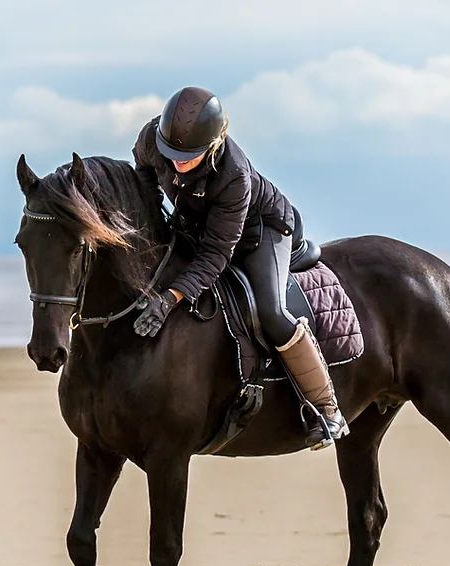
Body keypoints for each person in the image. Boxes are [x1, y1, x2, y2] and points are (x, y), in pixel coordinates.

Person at [131, 86, 349, 449]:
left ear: (214, 144)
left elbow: (216, 254)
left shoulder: (233, 174)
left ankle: (326, 410)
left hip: (260, 231)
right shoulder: (153, 140)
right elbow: (143, 175)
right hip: (199, 224)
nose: (178, 164)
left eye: (189, 157)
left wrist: (170, 299)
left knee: (271, 311)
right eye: (173, 155)